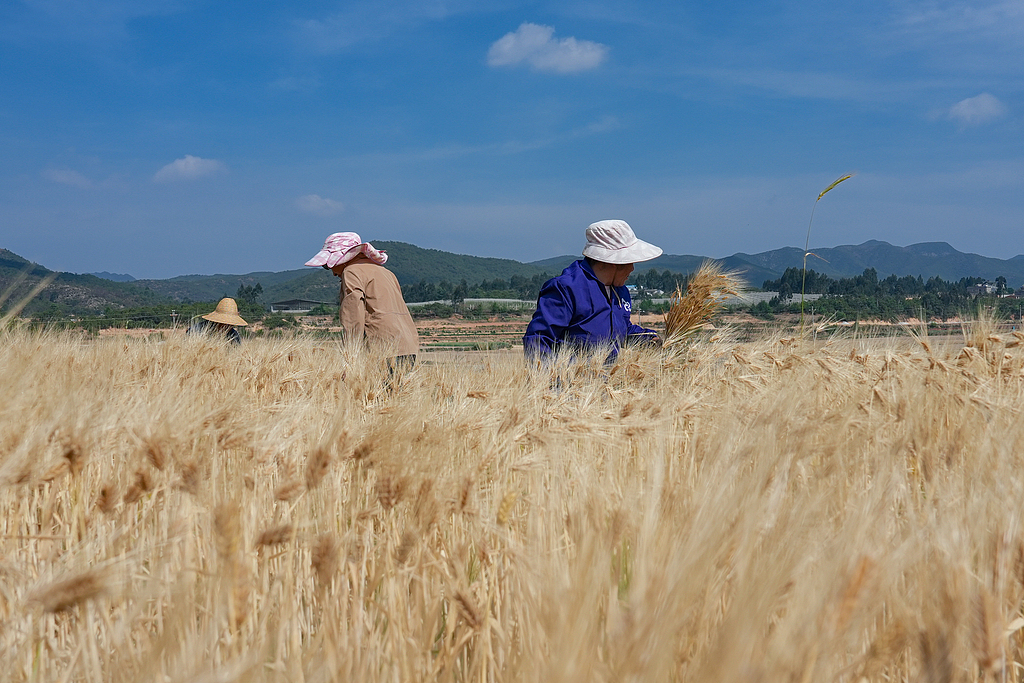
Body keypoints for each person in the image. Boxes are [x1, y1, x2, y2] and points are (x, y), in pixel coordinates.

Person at [523, 220, 661, 362]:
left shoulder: (620, 292)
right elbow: (539, 340)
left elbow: (619, 331)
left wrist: (649, 339)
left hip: (604, 382)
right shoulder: (565, 289)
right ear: (613, 262)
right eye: (630, 262)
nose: (632, 269)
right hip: (569, 381)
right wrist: (547, 379)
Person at [305, 232, 419, 373]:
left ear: (344, 259)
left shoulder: (351, 272)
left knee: (377, 394)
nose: (333, 272)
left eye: (328, 266)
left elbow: (353, 317)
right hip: (408, 345)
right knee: (395, 393)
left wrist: (350, 356)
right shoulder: (386, 272)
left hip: (381, 347)